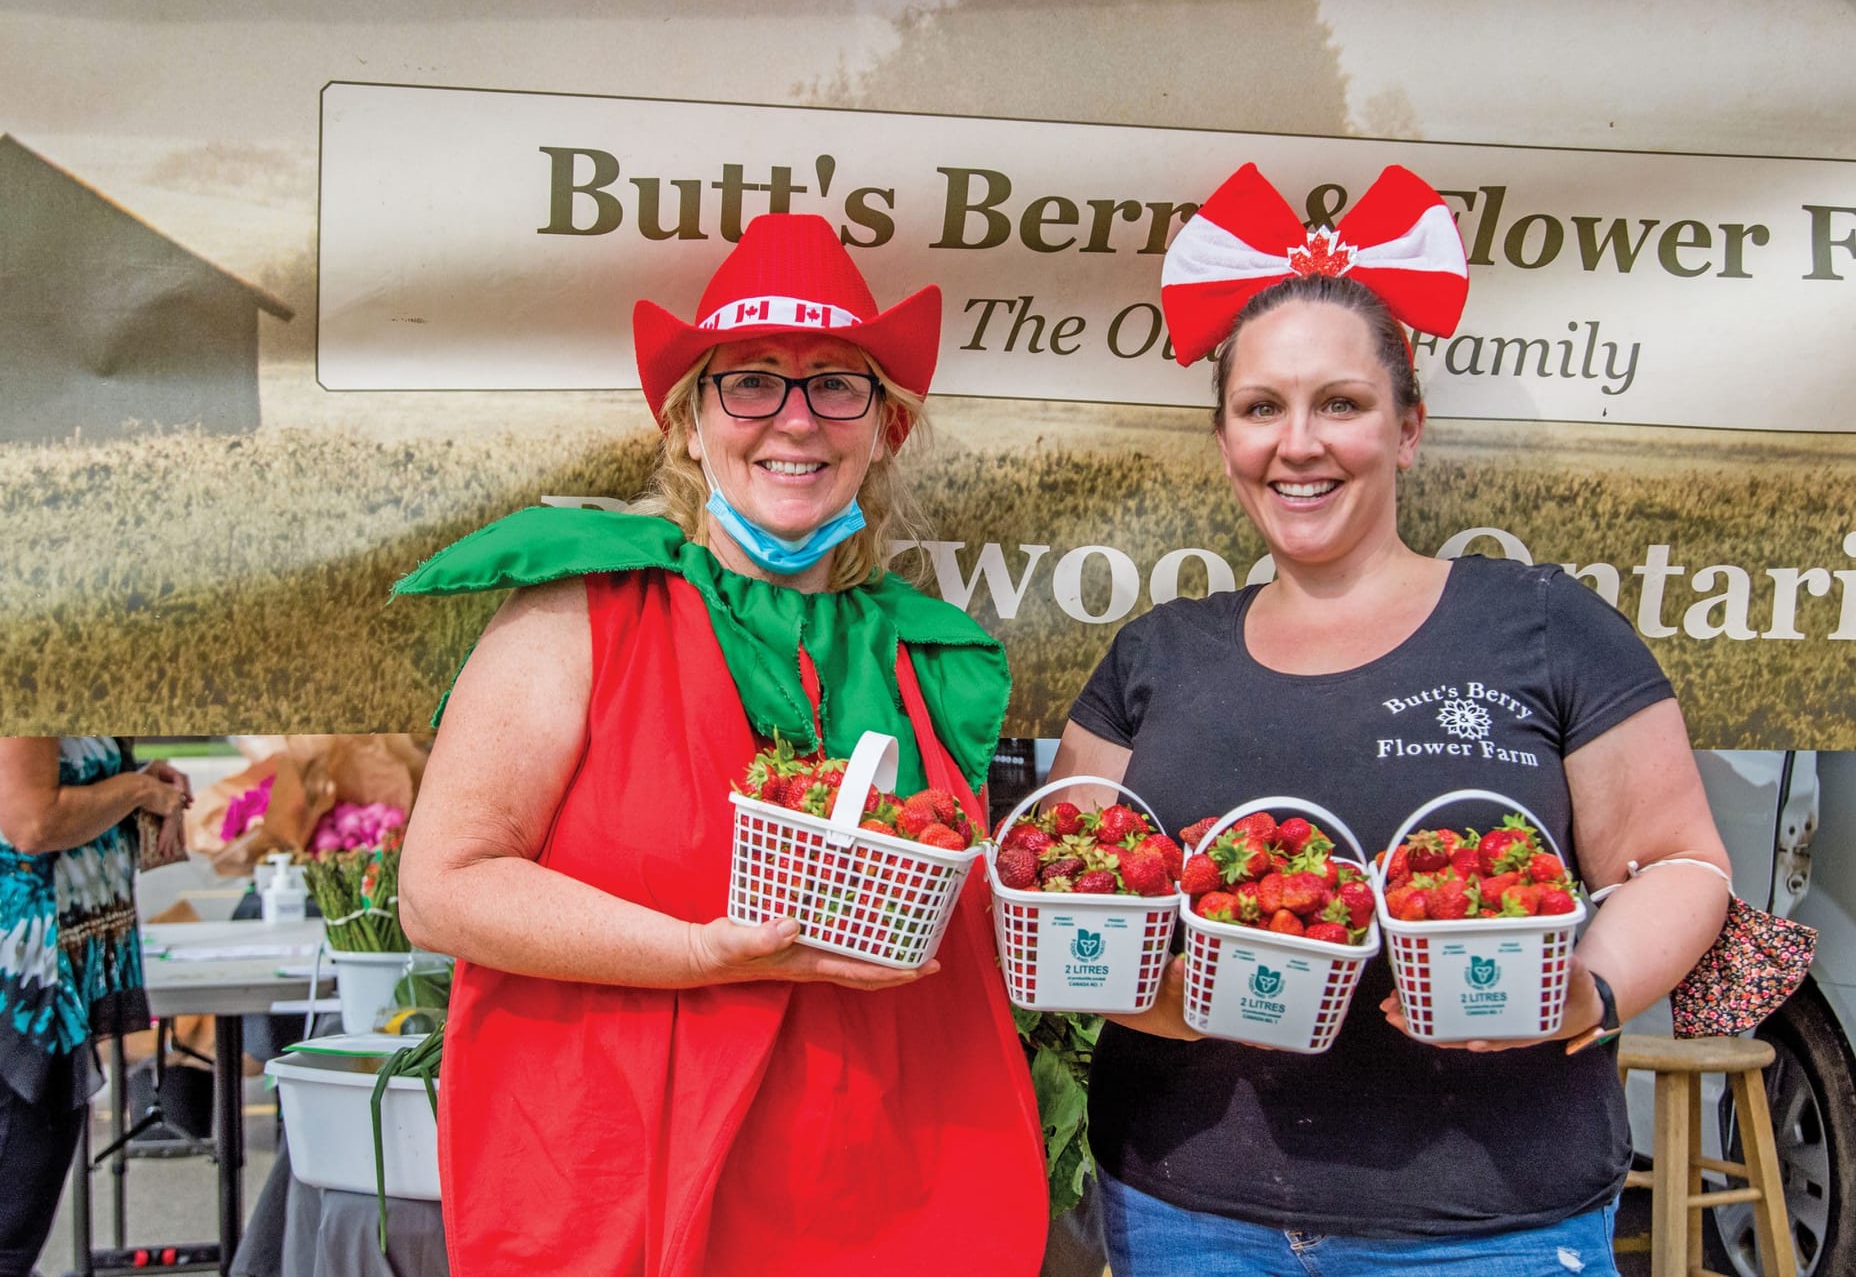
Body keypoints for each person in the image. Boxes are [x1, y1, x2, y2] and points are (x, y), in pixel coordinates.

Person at [1050, 164, 1734, 1275]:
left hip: (1492, 1230)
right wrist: (1142, 985)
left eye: (1341, 404)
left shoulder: (1541, 624)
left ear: (1408, 427)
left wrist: (1584, 991)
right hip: (1184, 1213)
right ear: (1224, 441)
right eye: (1261, 407)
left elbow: (1681, 864)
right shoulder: (1154, 653)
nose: (1298, 443)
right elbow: (1072, 891)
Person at [395, 213, 1047, 1276]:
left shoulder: (929, 656)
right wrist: (697, 951)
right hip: (632, 1198)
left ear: (884, 427)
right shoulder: (587, 609)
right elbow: (441, 889)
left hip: (898, 1202)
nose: (795, 419)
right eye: (750, 382)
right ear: (691, 426)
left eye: (835, 384)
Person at [0, 736, 189, 1277]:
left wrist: (138, 782)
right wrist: (136, 791)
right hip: (27, 987)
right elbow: (33, 821)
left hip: (57, 984)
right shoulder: (26, 687)